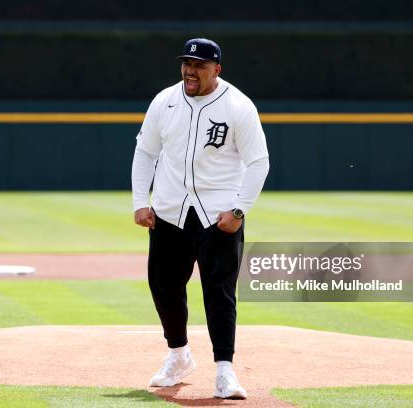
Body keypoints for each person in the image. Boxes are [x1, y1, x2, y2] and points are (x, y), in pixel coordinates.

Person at [131, 38, 269, 400]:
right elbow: (145, 152)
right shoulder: (165, 101)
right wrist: (139, 202)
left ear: (217, 69)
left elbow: (258, 162)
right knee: (164, 287)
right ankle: (178, 355)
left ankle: (225, 370)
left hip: (218, 215)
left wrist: (239, 210)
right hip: (170, 211)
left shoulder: (239, 106)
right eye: (186, 64)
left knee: (219, 293)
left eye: (199, 65)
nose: (190, 71)